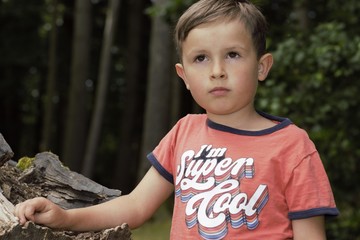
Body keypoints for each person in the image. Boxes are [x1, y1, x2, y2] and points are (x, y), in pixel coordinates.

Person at [15, 0, 339, 239]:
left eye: (233, 54)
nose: (217, 71)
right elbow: (135, 208)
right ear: (183, 76)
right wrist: (63, 217)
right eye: (201, 58)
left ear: (262, 66)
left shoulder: (292, 145)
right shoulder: (184, 132)